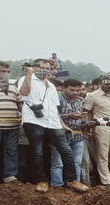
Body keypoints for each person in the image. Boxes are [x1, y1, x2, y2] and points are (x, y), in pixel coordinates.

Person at [19, 60, 89, 193]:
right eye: (41, 67)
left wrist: (62, 124)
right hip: (33, 121)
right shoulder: (26, 79)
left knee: (65, 150)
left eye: (47, 68)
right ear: (34, 67)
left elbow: (54, 108)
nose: (44, 70)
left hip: (52, 122)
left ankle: (73, 180)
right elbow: (24, 93)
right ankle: (42, 180)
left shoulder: (51, 85)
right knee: (37, 151)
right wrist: (28, 74)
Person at [83, 75, 110, 188]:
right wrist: (90, 125)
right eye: (106, 84)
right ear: (100, 83)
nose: (109, 86)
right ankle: (105, 181)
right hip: (102, 127)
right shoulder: (92, 96)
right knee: (102, 155)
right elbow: (86, 111)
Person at [50, 79, 86, 187]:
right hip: (60, 135)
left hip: (77, 135)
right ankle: (57, 185)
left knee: (77, 162)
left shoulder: (79, 101)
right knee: (58, 163)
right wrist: (69, 116)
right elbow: (53, 115)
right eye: (72, 90)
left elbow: (80, 118)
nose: (75, 93)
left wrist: (86, 123)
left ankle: (76, 183)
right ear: (64, 88)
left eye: (78, 90)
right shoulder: (57, 98)